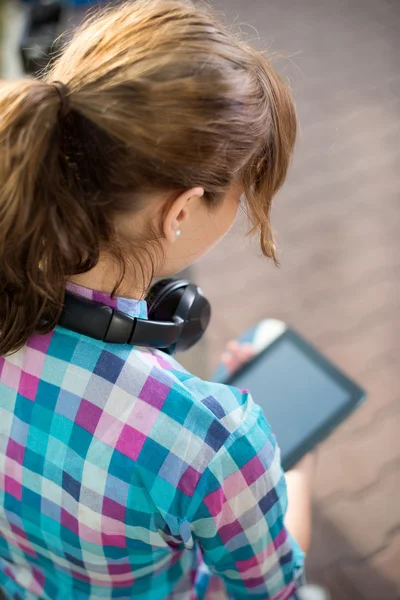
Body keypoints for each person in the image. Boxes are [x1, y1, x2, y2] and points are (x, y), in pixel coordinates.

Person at [0, 0, 314, 598]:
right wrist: (293, 470)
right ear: (181, 211)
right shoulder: (217, 441)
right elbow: (274, 592)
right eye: (240, 193)